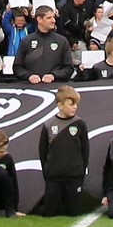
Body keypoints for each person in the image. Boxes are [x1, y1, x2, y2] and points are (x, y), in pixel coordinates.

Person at [33, 86, 90, 216]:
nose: (75, 107)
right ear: (60, 105)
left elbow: (85, 149)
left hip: (74, 175)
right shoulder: (48, 124)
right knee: (49, 213)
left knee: (73, 212)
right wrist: (47, 172)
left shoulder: (80, 123)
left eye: (76, 104)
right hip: (54, 176)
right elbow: (43, 151)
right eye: (71, 104)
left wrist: (81, 171)